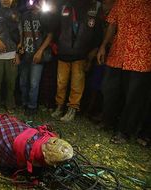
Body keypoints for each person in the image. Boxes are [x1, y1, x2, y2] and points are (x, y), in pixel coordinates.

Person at [97, 0, 151, 144]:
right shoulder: (121, 3)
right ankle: (107, 121)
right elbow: (112, 24)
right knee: (109, 89)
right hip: (117, 54)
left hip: (141, 58)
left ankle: (124, 132)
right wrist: (103, 46)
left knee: (134, 98)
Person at [51, 0, 103, 122]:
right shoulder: (64, 4)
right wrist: (55, 43)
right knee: (61, 82)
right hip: (63, 51)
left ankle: (72, 109)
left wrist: (92, 52)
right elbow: (55, 26)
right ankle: (59, 106)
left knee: (77, 83)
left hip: (81, 54)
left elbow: (98, 32)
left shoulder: (95, 6)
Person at [17, 0, 53, 116]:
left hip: (37, 55)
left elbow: (50, 35)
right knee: (23, 82)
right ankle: (24, 103)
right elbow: (22, 33)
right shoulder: (24, 15)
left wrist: (40, 51)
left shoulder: (45, 15)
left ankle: (32, 106)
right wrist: (20, 46)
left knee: (34, 83)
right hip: (25, 54)